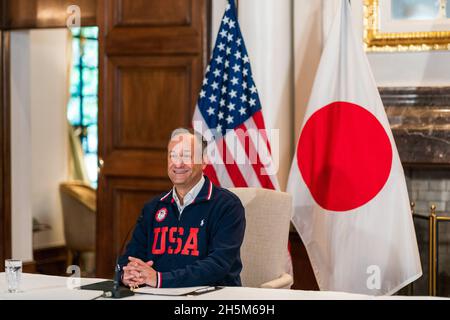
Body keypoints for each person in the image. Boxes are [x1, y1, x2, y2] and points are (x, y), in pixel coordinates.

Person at [119, 128, 246, 288]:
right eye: (173, 155)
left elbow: (218, 265)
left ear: (204, 161)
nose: (178, 163)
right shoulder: (153, 207)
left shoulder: (227, 206)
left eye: (186, 156)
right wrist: (127, 274)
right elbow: (131, 256)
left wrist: (160, 279)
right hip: (156, 295)